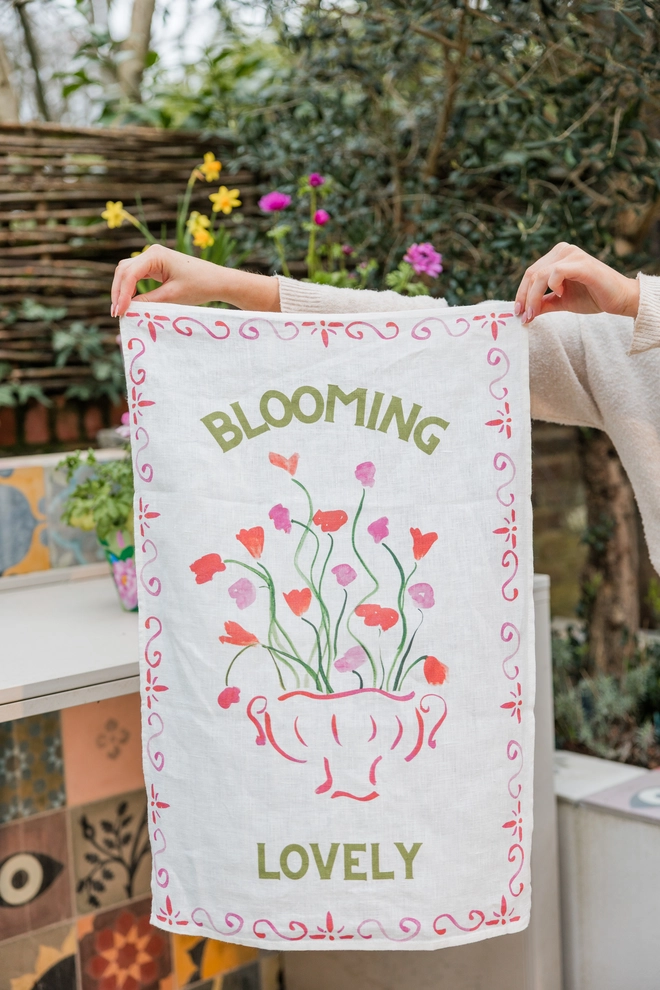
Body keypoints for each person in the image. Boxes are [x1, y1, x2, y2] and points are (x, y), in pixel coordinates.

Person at [111, 242, 660, 571]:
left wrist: (639, 301)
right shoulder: (623, 345)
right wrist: (226, 285)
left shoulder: (636, 321)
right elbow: (428, 336)